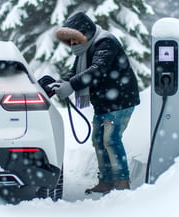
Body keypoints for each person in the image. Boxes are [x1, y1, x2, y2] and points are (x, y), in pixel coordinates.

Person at [53, 11, 140, 194]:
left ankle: (122, 181)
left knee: (111, 140)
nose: (72, 42)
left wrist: (72, 86)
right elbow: (76, 70)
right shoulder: (85, 48)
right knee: (98, 140)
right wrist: (64, 82)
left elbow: (96, 70)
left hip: (120, 101)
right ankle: (106, 181)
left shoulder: (106, 42)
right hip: (103, 102)